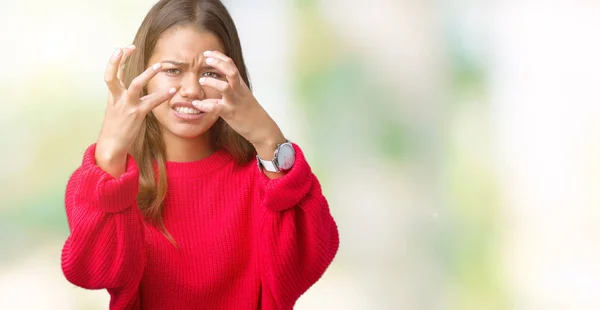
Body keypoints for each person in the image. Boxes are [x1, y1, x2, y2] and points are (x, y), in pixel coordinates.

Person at [60, 0, 340, 309]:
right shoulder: (112, 180)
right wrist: (111, 154)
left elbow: (307, 264)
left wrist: (268, 137)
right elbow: (89, 272)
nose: (192, 89)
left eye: (210, 72)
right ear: (142, 74)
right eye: (172, 70)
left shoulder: (265, 178)